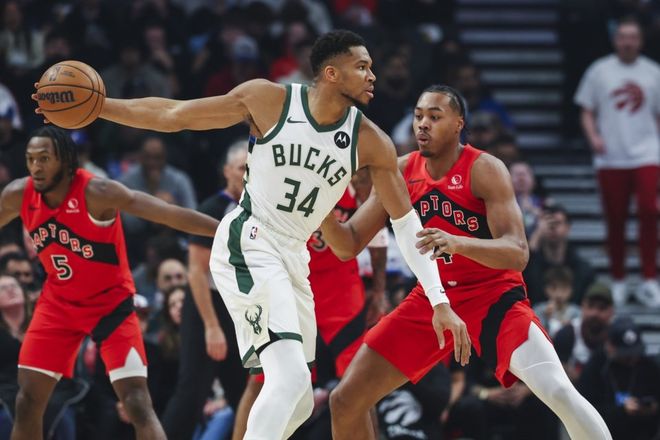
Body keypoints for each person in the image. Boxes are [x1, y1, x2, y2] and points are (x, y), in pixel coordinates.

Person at [53, 30, 468, 440]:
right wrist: (101, 107)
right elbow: (174, 114)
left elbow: (406, 224)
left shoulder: (370, 141)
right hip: (252, 240)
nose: (372, 76)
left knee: (300, 399)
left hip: (295, 259)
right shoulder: (270, 100)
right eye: (362, 67)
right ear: (331, 73)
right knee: (287, 380)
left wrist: (440, 301)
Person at [320, 85, 612, 440]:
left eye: (434, 116)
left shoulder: (484, 168)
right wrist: (320, 209)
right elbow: (348, 244)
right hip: (432, 300)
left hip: (493, 297)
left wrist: (458, 242)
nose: (423, 124)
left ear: (459, 123)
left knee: (559, 392)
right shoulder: (401, 171)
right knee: (345, 400)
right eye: (418, 116)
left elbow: (518, 252)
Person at [0, 126, 219, 440]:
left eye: (44, 158)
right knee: (27, 401)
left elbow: (168, 214)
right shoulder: (18, 194)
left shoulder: (97, 192)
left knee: (137, 403)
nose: (35, 166)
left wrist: (225, 229)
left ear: (65, 161)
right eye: (30, 158)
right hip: (59, 305)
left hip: (110, 305)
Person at [161, 141, 249, 440]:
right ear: (227, 171)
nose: (247, 174)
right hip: (206, 307)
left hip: (239, 310)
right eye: (242, 168)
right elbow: (196, 271)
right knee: (191, 395)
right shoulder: (213, 208)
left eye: (252, 168)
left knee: (244, 393)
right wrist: (211, 326)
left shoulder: (261, 211)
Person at [574, 16, 660, 307]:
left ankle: (649, 279)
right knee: (615, 219)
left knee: (649, 212)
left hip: (647, 154)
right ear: (615, 39)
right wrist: (594, 137)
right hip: (611, 156)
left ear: (641, 40)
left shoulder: (653, 72)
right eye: (623, 37)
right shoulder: (599, 71)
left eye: (632, 37)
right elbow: (586, 109)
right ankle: (619, 279)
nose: (627, 42)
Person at [578, 316, 660, 439]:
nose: (631, 359)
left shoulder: (648, 366)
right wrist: (621, 411)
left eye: (634, 353)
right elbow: (586, 410)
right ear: (610, 347)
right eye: (626, 355)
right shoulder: (597, 365)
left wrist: (652, 408)